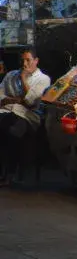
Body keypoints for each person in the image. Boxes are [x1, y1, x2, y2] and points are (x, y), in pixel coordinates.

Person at [0, 47, 51, 185]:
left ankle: (10, 174)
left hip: (28, 116)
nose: (24, 64)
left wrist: (23, 78)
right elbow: (0, 96)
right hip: (6, 111)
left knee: (13, 131)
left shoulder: (43, 79)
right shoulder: (11, 75)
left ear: (36, 61)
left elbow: (30, 101)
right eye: (22, 60)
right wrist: (15, 99)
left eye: (28, 60)